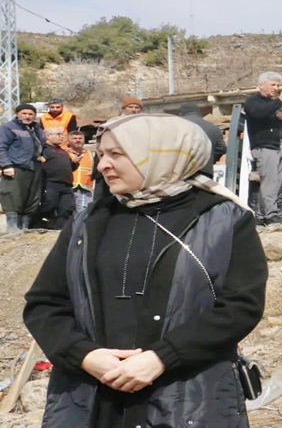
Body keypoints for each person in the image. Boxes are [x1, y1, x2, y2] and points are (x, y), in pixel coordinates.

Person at [24, 114, 267, 428]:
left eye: (117, 154)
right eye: (101, 155)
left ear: (161, 156)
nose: (102, 166)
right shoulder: (89, 221)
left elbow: (240, 307)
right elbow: (45, 303)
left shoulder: (224, 219)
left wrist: (161, 358)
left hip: (187, 399)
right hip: (92, 400)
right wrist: (85, 356)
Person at [243, 71, 282, 224]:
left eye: (278, 85)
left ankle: (266, 214)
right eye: (273, 85)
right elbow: (258, 114)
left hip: (278, 146)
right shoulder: (253, 102)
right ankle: (270, 215)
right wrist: (280, 100)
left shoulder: (273, 105)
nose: (276, 88)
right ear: (261, 85)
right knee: (270, 182)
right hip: (265, 147)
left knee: (276, 182)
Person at [0, 103, 46, 232]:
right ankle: (12, 227)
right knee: (13, 195)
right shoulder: (8, 128)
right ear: (17, 114)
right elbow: (1, 147)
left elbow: (42, 145)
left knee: (32, 197)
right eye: (24, 113)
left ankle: (25, 226)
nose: (27, 116)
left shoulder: (37, 128)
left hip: (35, 166)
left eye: (31, 114)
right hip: (16, 166)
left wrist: (44, 156)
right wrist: (6, 165)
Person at [39, 128, 79, 229]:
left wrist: (75, 163)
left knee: (67, 208)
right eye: (58, 134)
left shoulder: (63, 151)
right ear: (48, 136)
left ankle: (61, 229)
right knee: (49, 206)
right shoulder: (43, 150)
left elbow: (71, 168)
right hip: (51, 183)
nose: (62, 137)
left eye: (62, 134)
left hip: (66, 185)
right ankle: (43, 225)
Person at [178, 102, 227, 177]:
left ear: (181, 114)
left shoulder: (175, 126)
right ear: (198, 113)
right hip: (204, 172)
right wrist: (209, 161)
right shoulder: (213, 128)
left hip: (180, 172)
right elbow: (221, 149)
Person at [66, 130, 97, 214]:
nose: (78, 140)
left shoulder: (92, 154)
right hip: (69, 186)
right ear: (68, 141)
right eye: (74, 138)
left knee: (83, 212)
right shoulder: (64, 154)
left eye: (80, 138)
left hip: (85, 187)